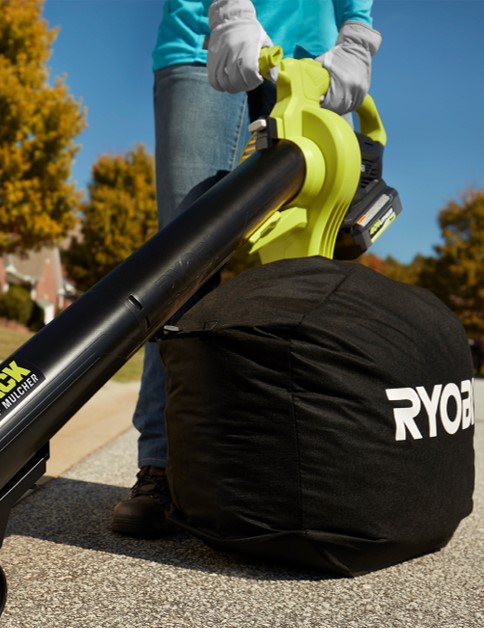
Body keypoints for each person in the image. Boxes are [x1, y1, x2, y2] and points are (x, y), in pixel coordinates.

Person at [111, 0, 381, 538]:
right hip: (206, 44)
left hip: (314, 61)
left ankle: (297, 471)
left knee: (304, 275)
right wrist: (229, 11)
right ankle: (162, 468)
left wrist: (357, 29)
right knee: (183, 269)